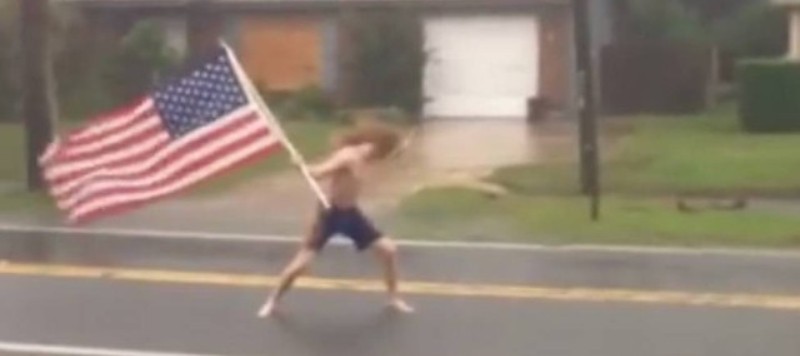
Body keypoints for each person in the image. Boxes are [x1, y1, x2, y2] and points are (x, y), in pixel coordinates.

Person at [257, 121, 414, 318]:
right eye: (384, 152)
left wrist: (402, 146)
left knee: (389, 250)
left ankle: (394, 299)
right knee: (302, 263)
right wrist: (301, 166)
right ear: (377, 146)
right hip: (330, 214)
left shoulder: (369, 157)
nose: (381, 157)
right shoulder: (348, 156)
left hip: (352, 214)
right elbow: (319, 172)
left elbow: (394, 155)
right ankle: (272, 302)